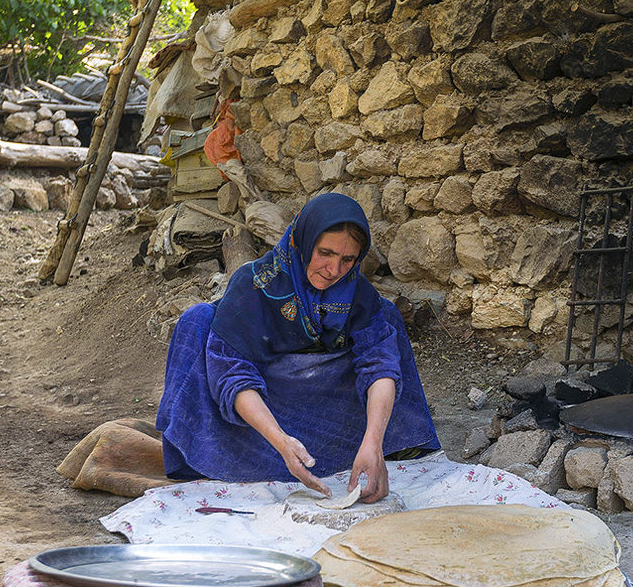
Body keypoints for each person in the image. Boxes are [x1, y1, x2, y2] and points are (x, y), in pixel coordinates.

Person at [156, 192, 439, 503]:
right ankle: (242, 456)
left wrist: (373, 443)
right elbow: (232, 376)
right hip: (264, 413)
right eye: (325, 253)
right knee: (197, 320)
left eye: (347, 259)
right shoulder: (254, 287)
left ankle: (375, 449)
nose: (334, 270)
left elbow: (380, 367)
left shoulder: (359, 296)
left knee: (387, 315)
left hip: (323, 402)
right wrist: (281, 443)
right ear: (304, 244)